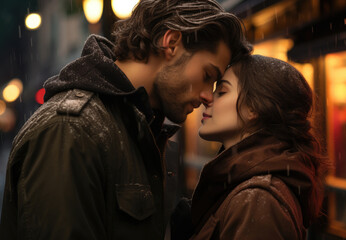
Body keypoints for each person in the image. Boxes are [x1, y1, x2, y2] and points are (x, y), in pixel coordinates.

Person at [0, 0, 252, 239]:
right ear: (171, 42)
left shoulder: (136, 129)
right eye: (208, 75)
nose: (209, 96)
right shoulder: (71, 130)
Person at [189, 55, 329, 239]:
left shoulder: (257, 199)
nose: (208, 99)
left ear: (255, 107)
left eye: (221, 91)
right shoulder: (249, 188)